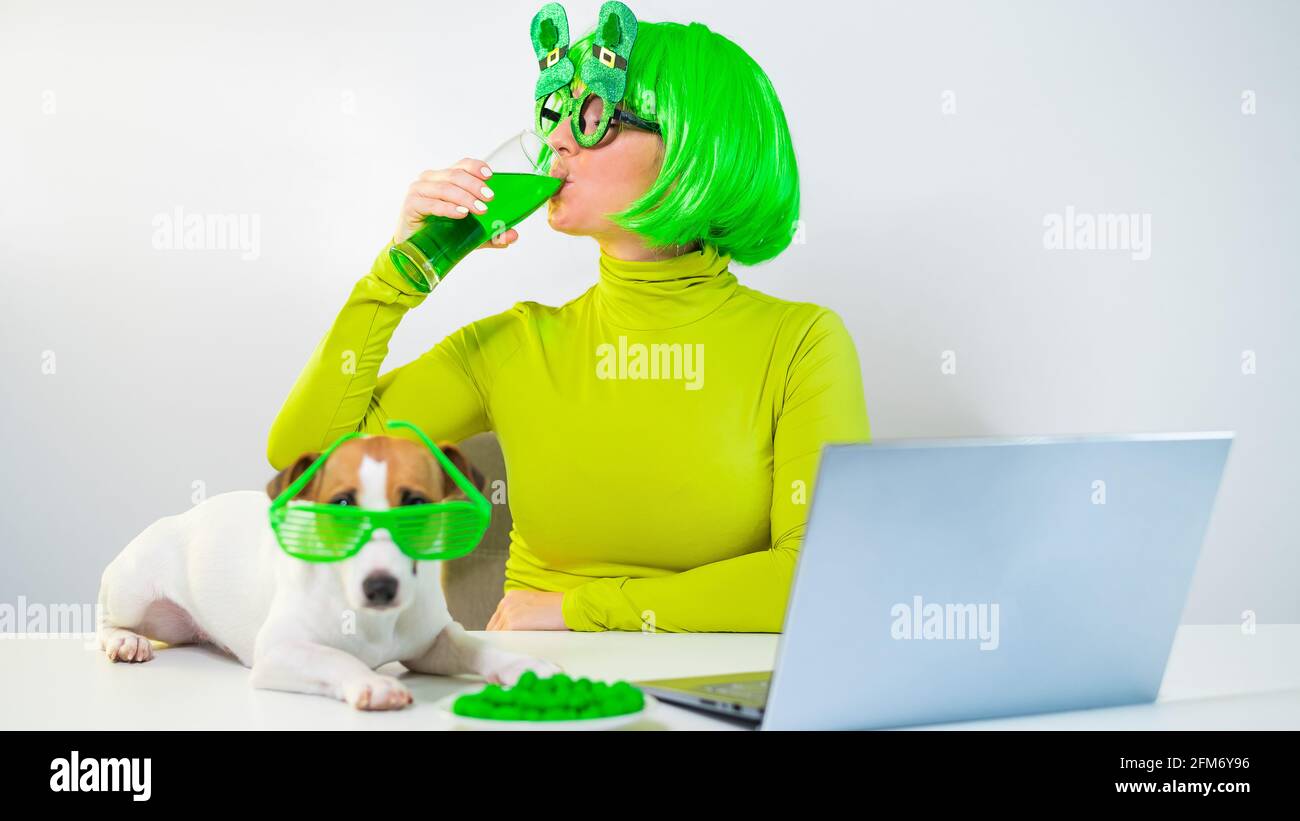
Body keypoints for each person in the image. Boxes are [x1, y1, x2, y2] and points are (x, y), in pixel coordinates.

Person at [266, 16, 870, 633]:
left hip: (727, 691)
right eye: (553, 116)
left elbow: (823, 574)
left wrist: (581, 610)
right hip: (541, 687)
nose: (556, 141)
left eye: (593, 118)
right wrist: (396, 277)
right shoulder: (513, 344)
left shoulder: (801, 344)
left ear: (695, 148)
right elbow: (305, 459)